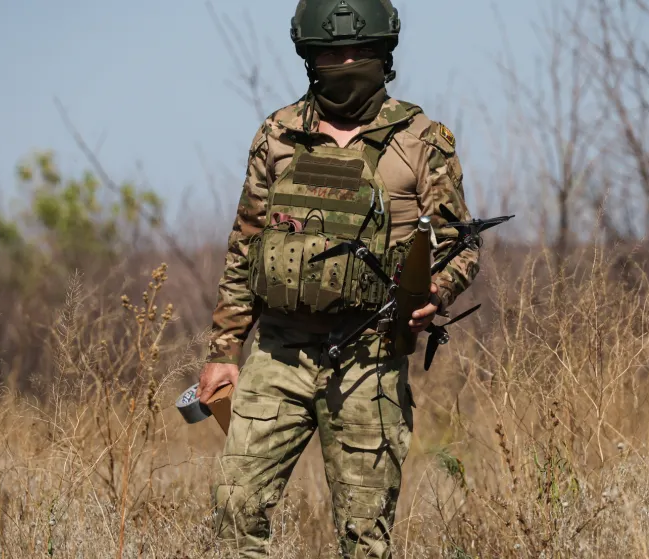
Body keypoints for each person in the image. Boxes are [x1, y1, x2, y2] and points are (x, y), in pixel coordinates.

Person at [196, 1, 480, 556]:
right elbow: (245, 246)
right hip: (277, 354)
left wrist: (435, 294)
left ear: (383, 55)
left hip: (368, 360)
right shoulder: (278, 135)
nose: (344, 62)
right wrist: (224, 348)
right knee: (234, 508)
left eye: (358, 52)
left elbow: (459, 247)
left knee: (363, 535)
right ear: (309, 57)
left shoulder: (422, 140)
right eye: (330, 53)